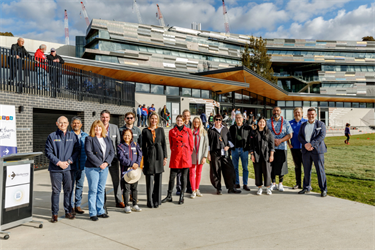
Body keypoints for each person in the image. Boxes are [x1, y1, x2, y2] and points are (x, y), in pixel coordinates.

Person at [45, 116, 79, 223]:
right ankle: (54, 214)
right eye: (61, 123)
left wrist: (68, 162)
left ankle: (68, 211)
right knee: (56, 191)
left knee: (68, 191)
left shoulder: (73, 136)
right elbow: (48, 152)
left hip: (69, 169)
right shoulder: (52, 136)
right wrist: (59, 163)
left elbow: (77, 150)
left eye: (65, 122)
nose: (63, 124)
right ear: (57, 123)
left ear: (68, 123)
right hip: (55, 169)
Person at [85, 120, 115, 221]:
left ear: (103, 128)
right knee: (93, 190)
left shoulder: (107, 139)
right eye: (95, 127)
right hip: (92, 168)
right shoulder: (89, 139)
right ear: (93, 128)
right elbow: (89, 153)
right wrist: (99, 164)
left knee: (101, 189)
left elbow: (112, 152)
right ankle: (93, 213)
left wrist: (106, 163)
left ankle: (100, 210)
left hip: (104, 168)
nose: (97, 129)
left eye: (99, 127)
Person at [162, 115, 193, 205]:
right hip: (176, 156)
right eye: (178, 120)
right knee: (172, 177)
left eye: (181, 121)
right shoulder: (172, 131)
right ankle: (169, 196)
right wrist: (176, 151)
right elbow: (171, 145)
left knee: (184, 177)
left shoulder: (188, 131)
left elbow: (191, 145)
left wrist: (187, 153)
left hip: (185, 156)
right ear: (176, 121)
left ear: (183, 121)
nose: (179, 122)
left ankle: (182, 196)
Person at [298, 108, 328, 197]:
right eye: (309, 114)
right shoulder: (303, 125)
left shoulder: (320, 124)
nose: (310, 116)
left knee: (320, 170)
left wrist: (311, 144)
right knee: (306, 170)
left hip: (317, 151)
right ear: (307, 115)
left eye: (312, 114)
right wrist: (305, 144)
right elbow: (300, 136)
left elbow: (322, 136)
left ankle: (323, 189)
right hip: (306, 151)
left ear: (315, 115)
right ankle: (306, 187)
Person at [208, 114, 241, 194]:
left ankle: (231, 187)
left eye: (219, 120)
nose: (218, 121)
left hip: (224, 153)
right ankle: (218, 188)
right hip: (215, 153)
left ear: (221, 120)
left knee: (229, 170)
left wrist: (228, 146)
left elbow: (230, 140)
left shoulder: (225, 129)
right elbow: (208, 143)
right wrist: (208, 154)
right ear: (214, 120)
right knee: (216, 171)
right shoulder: (210, 130)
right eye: (216, 120)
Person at [141, 112, 168, 208]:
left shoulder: (160, 130)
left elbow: (164, 144)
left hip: (159, 155)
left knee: (158, 179)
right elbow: (143, 146)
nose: (154, 120)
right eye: (152, 118)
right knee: (150, 179)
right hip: (149, 155)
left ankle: (157, 200)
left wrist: (165, 157)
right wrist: (143, 160)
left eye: (155, 118)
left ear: (158, 120)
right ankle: (150, 201)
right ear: (149, 119)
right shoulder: (145, 131)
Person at [100, 110, 124, 208]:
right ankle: (102, 201)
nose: (105, 119)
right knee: (102, 181)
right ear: (100, 117)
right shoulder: (97, 127)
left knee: (116, 180)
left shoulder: (114, 128)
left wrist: (119, 156)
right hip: (101, 160)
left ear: (109, 118)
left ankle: (119, 200)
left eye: (107, 117)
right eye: (103, 117)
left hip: (113, 159)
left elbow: (118, 143)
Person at [266, 107, 293, 192]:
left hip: (282, 147)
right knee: (272, 165)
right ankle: (273, 183)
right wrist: (273, 140)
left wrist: (280, 140)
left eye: (277, 110)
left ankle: (280, 183)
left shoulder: (285, 122)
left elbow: (290, 135)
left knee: (282, 165)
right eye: (274, 111)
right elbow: (265, 133)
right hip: (271, 147)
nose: (275, 112)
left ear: (280, 112)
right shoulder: (268, 122)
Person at [117, 129, 143, 213]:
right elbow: (122, 159)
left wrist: (137, 164)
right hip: (126, 171)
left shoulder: (135, 144)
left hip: (135, 171)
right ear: (122, 136)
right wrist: (132, 163)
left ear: (132, 136)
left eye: (128, 135)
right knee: (126, 189)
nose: (127, 137)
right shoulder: (120, 146)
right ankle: (127, 205)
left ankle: (135, 204)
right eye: (125, 135)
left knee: (134, 188)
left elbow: (140, 155)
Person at [250, 116, 275, 195]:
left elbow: (272, 145)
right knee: (257, 171)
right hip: (257, 155)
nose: (261, 123)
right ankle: (259, 188)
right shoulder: (254, 133)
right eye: (260, 122)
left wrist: (271, 155)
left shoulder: (268, 132)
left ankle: (268, 187)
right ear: (258, 123)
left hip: (266, 155)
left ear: (265, 123)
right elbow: (251, 145)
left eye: (263, 122)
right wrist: (252, 155)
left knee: (267, 171)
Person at [70, 117, 89, 214]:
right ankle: (70, 207)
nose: (76, 125)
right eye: (74, 123)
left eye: (78, 123)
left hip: (82, 166)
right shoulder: (68, 135)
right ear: (71, 124)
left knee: (80, 186)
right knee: (70, 187)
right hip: (71, 166)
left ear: (81, 125)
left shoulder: (86, 136)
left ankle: (77, 205)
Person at [229, 113, 252, 191]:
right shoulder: (232, 128)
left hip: (244, 150)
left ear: (243, 119)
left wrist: (249, 149)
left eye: (239, 117)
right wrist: (230, 149)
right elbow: (229, 138)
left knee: (245, 167)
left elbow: (250, 139)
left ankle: (245, 184)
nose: (238, 119)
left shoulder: (248, 128)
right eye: (237, 117)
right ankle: (237, 183)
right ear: (235, 119)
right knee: (235, 168)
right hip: (234, 149)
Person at [287, 107, 308, 189]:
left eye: (298, 112)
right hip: (294, 148)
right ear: (293, 114)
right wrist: (288, 143)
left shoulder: (306, 122)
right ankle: (298, 184)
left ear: (302, 113)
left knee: (306, 167)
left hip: (304, 148)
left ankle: (307, 184)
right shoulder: (290, 123)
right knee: (297, 167)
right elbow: (286, 134)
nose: (297, 114)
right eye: (295, 112)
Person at [190, 117, 209, 198]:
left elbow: (206, 145)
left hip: (200, 156)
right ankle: (193, 190)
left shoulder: (204, 132)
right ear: (193, 122)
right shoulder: (190, 132)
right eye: (194, 122)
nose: (196, 123)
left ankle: (197, 189)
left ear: (200, 122)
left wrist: (205, 156)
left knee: (198, 173)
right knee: (191, 173)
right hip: (192, 156)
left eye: (197, 122)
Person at [175, 109, 193, 195]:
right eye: (185, 116)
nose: (186, 117)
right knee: (179, 171)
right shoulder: (177, 126)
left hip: (188, 152)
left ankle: (189, 187)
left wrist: (190, 151)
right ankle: (179, 188)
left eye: (188, 116)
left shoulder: (192, 125)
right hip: (179, 151)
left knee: (188, 170)